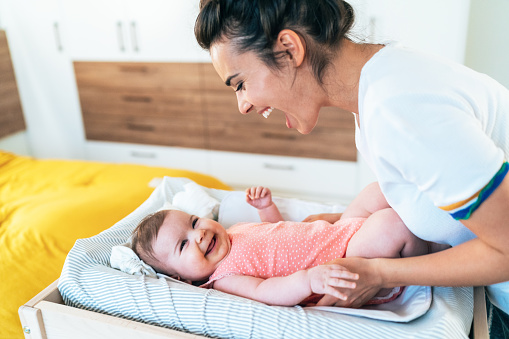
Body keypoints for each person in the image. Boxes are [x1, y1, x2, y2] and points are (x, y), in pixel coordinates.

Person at [194, 0, 509, 336]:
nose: (242, 106)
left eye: (240, 83)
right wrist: (342, 223)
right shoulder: (377, 87)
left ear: (289, 48)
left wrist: (379, 274)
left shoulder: (399, 109)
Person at [131, 184, 436, 306]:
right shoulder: (225, 280)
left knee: (377, 191)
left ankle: (437, 211)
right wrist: (309, 280)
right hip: (345, 261)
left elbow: (274, 230)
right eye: (183, 245)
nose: (198, 234)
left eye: (194, 222)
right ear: (183, 279)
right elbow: (266, 292)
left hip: (340, 230)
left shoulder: (235, 229)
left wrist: (265, 208)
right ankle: (418, 263)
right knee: (390, 224)